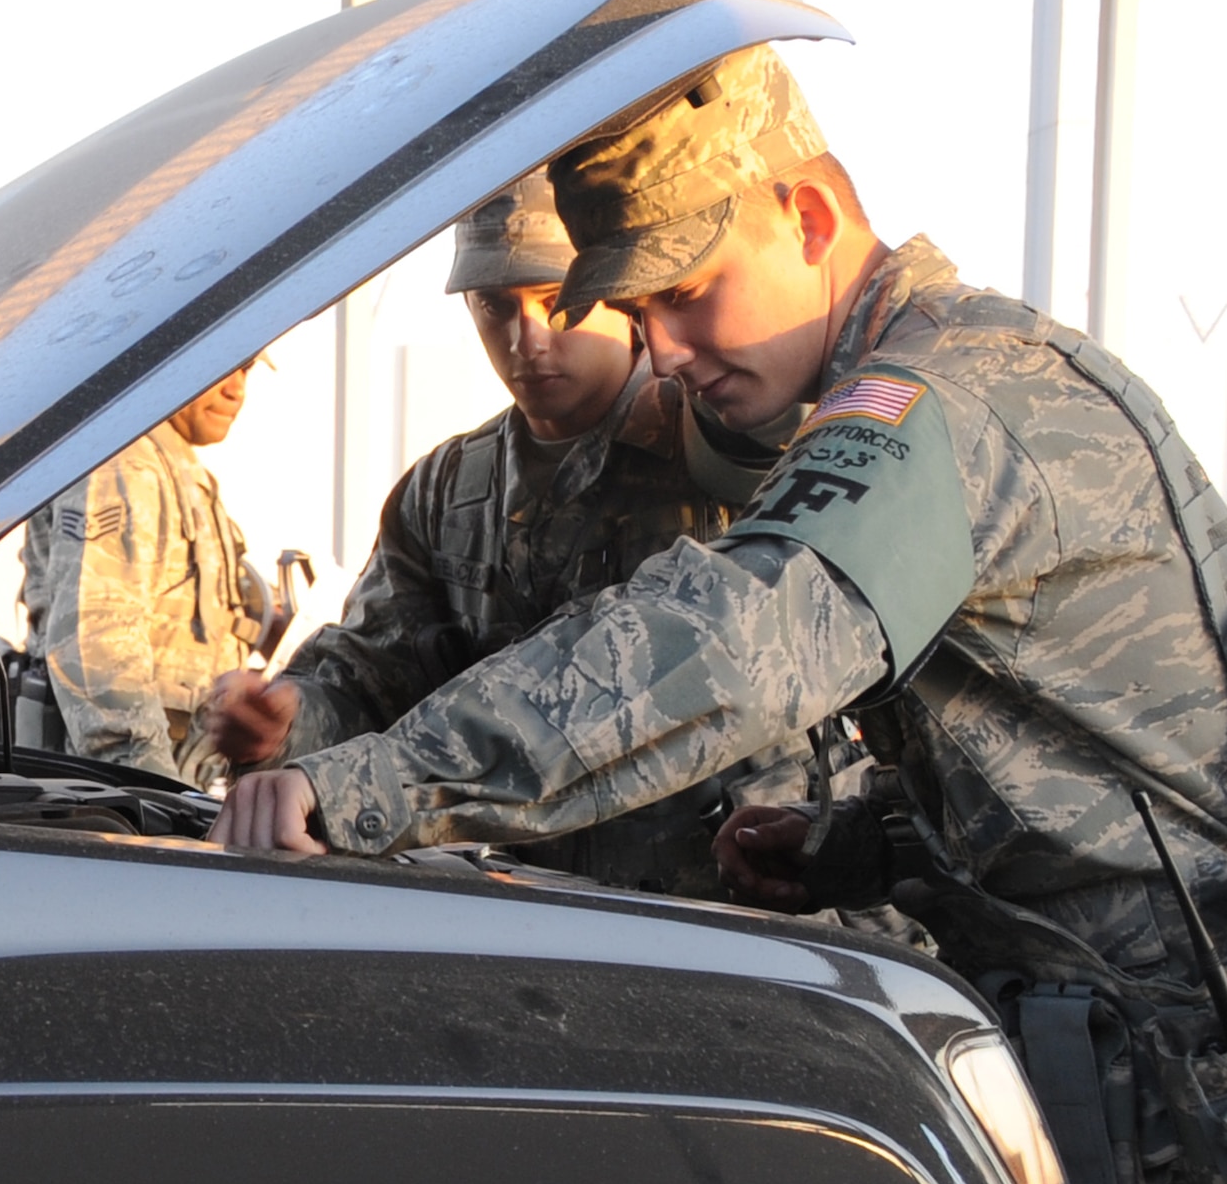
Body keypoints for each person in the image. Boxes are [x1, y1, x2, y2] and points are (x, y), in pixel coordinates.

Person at [211, 45, 1227, 1184]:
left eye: (687, 291)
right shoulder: (924, 384)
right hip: (1118, 1073)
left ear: (814, 220)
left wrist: (370, 784)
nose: (666, 346)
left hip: (1185, 1106)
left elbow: (739, 635)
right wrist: (852, 849)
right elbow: (1079, 765)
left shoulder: (939, 404)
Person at [207, 172, 805, 894]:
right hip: (521, 913)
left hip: (727, 904)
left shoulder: (722, 447)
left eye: (557, 302)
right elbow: (371, 678)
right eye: (495, 307)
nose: (526, 338)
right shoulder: (446, 490)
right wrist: (284, 723)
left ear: (620, 298)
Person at [15, 358, 271, 788]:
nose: (236, 389)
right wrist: (152, 793)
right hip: (128, 791)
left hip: (172, 778)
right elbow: (97, 642)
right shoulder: (122, 463)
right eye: (225, 364)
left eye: (247, 370)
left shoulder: (171, 461)